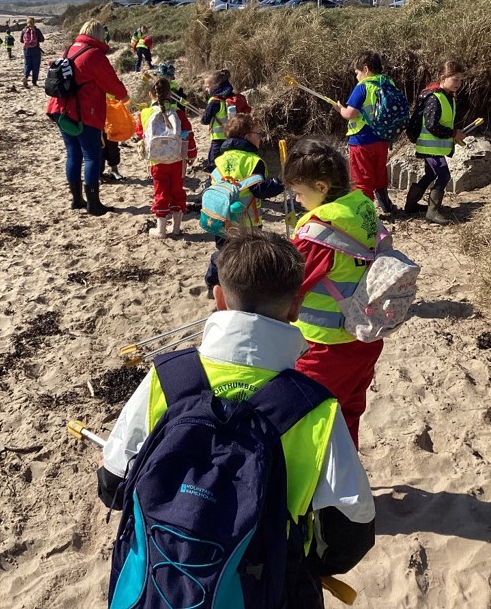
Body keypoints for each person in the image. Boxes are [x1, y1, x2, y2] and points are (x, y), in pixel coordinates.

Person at [98, 230, 376, 604]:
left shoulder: (169, 377)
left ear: (219, 299)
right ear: (297, 306)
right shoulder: (314, 409)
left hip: (158, 585)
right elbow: (349, 535)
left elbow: (111, 483)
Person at [284, 138, 381, 449]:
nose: (296, 200)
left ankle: (320, 491)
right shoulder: (362, 206)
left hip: (324, 347)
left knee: (309, 418)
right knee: (348, 412)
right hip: (365, 339)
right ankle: (348, 476)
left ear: (322, 187)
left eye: (299, 192)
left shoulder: (318, 233)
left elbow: (289, 284)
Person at [45, 20, 128, 216]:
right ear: (99, 34)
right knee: (92, 155)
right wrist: (123, 96)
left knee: (73, 154)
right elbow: (112, 84)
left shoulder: (70, 49)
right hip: (83, 113)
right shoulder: (94, 55)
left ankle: (76, 200)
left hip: (61, 109)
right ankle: (93, 203)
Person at [204, 113, 284, 296]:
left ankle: (213, 283)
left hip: (220, 218)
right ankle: (239, 287)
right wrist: (280, 183)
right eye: (258, 133)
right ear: (247, 136)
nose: (261, 137)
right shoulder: (253, 161)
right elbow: (260, 190)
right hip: (246, 221)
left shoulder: (219, 159)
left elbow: (211, 185)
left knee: (224, 252)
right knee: (245, 254)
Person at [334, 50, 396, 213]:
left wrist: (340, 109)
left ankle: (366, 212)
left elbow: (350, 114)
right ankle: (385, 203)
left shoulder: (362, 87)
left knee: (362, 178)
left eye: (357, 72)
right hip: (382, 138)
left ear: (366, 69)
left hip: (361, 140)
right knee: (379, 171)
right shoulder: (388, 83)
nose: (356, 77)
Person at [405, 60, 466, 224]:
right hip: (430, 147)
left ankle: (410, 206)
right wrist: (453, 133)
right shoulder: (435, 98)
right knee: (444, 176)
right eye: (455, 79)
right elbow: (432, 126)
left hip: (435, 147)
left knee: (431, 174)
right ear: (443, 77)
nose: (458, 84)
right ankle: (432, 212)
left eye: (460, 80)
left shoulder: (448, 97)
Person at [135, 77, 197, 239]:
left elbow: (140, 134)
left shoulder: (145, 113)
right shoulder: (179, 113)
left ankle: (161, 230)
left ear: (150, 94)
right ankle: (176, 228)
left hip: (156, 161)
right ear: (170, 93)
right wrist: (191, 154)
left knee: (160, 191)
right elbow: (188, 136)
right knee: (177, 190)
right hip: (177, 160)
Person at [201, 68, 248, 171]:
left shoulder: (214, 101)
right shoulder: (232, 98)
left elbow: (204, 120)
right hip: (232, 137)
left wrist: (204, 113)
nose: (206, 89)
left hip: (218, 139)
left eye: (208, 87)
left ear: (215, 86)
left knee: (213, 165)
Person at [20, 17, 44, 88]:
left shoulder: (24, 30)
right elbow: (42, 39)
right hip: (36, 50)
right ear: (34, 22)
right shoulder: (37, 30)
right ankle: (34, 82)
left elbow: (21, 40)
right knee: (35, 66)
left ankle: (25, 77)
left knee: (27, 64)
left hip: (26, 50)